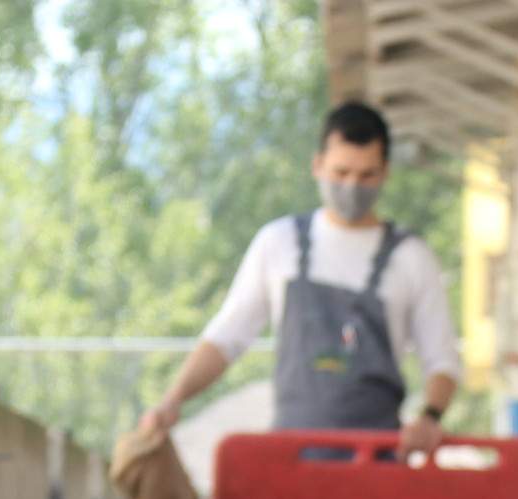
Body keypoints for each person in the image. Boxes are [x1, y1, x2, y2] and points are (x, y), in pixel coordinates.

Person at [137, 101, 461, 458]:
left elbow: (442, 360)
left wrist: (430, 417)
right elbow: (227, 338)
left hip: (377, 463)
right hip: (290, 459)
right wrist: (173, 399)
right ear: (317, 165)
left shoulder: (412, 258)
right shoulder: (278, 243)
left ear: (385, 172)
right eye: (341, 173)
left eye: (366, 175)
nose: (352, 186)